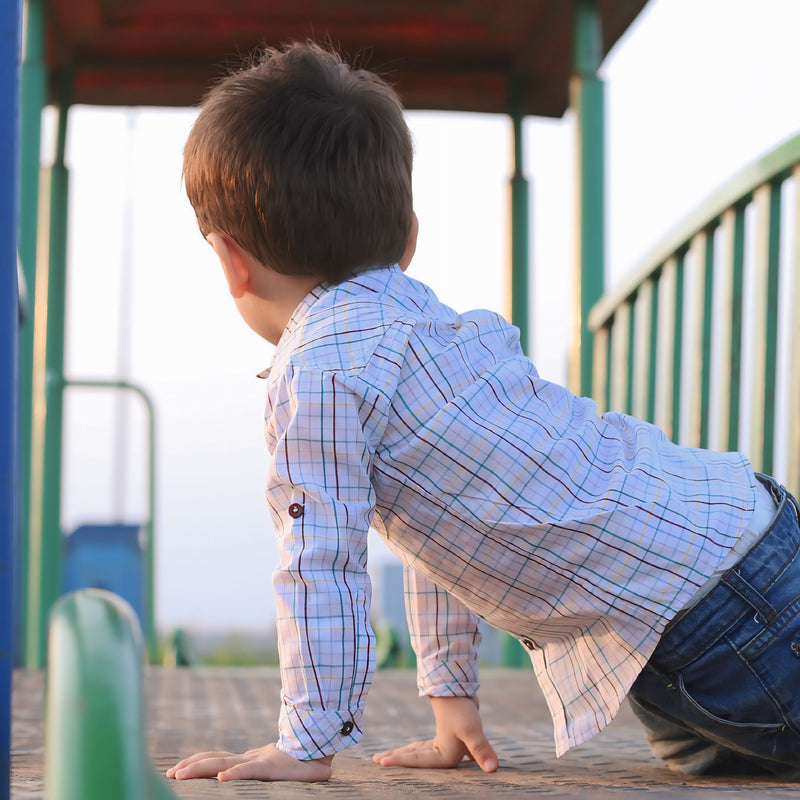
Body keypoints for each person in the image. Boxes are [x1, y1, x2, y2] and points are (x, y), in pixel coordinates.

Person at [166, 41, 800, 784]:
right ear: (408, 240)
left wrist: (307, 743)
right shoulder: (434, 330)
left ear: (229, 259)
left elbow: (322, 565)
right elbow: (438, 525)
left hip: (723, 625)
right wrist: (450, 700)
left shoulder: (317, 374)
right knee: (716, 764)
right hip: (732, 567)